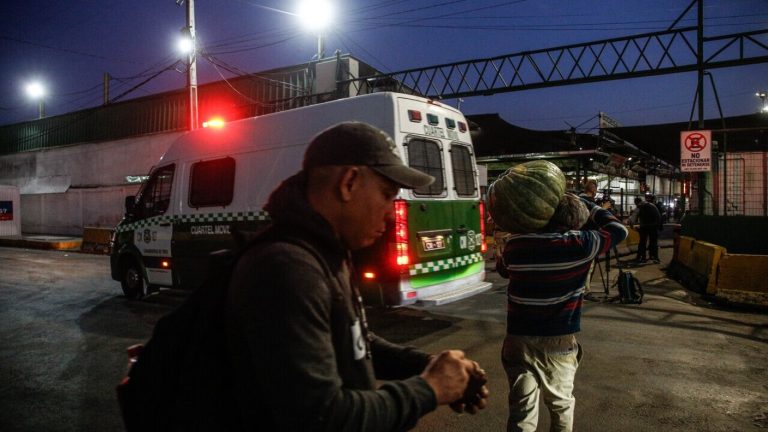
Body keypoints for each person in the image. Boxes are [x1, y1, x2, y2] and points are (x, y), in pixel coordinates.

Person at [225, 122, 489, 431]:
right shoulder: (286, 269)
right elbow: (323, 417)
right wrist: (430, 389)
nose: (391, 213)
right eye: (387, 194)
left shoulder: (326, 253)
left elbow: (353, 341)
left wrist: (426, 365)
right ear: (349, 182)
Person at [496, 193, 628, 432]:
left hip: (517, 339)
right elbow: (619, 230)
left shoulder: (517, 243)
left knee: (521, 410)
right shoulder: (581, 244)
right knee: (561, 406)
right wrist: (589, 203)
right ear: (577, 222)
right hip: (557, 342)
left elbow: (503, 269)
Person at [632, 194, 662, 263]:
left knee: (642, 242)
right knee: (653, 242)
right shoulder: (652, 206)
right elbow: (658, 217)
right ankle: (654, 257)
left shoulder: (639, 206)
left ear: (637, 202)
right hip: (653, 227)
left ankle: (642, 257)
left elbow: (633, 219)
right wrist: (657, 225)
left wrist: (633, 225)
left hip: (644, 227)